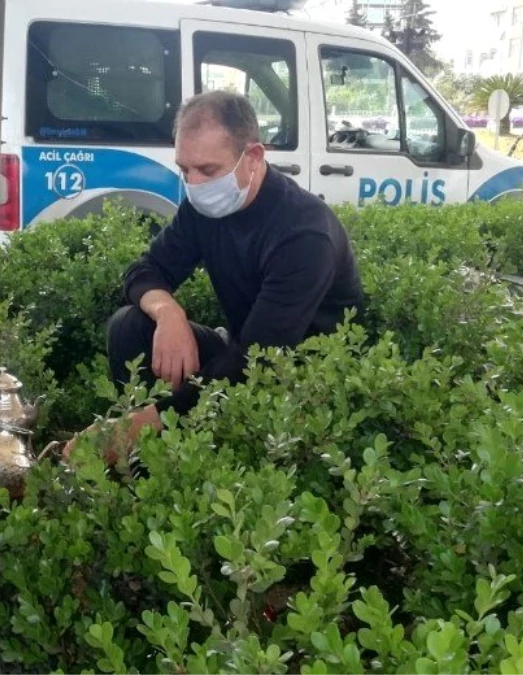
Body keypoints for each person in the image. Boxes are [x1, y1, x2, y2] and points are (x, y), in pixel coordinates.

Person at [73, 90, 365, 456]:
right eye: (184, 169)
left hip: (303, 381)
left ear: (254, 156)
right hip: (245, 352)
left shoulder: (304, 234)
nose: (194, 184)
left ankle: (148, 448)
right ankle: (145, 465)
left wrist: (147, 421)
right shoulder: (204, 207)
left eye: (209, 170)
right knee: (130, 326)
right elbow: (144, 271)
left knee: (171, 409)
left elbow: (255, 361)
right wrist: (169, 313)